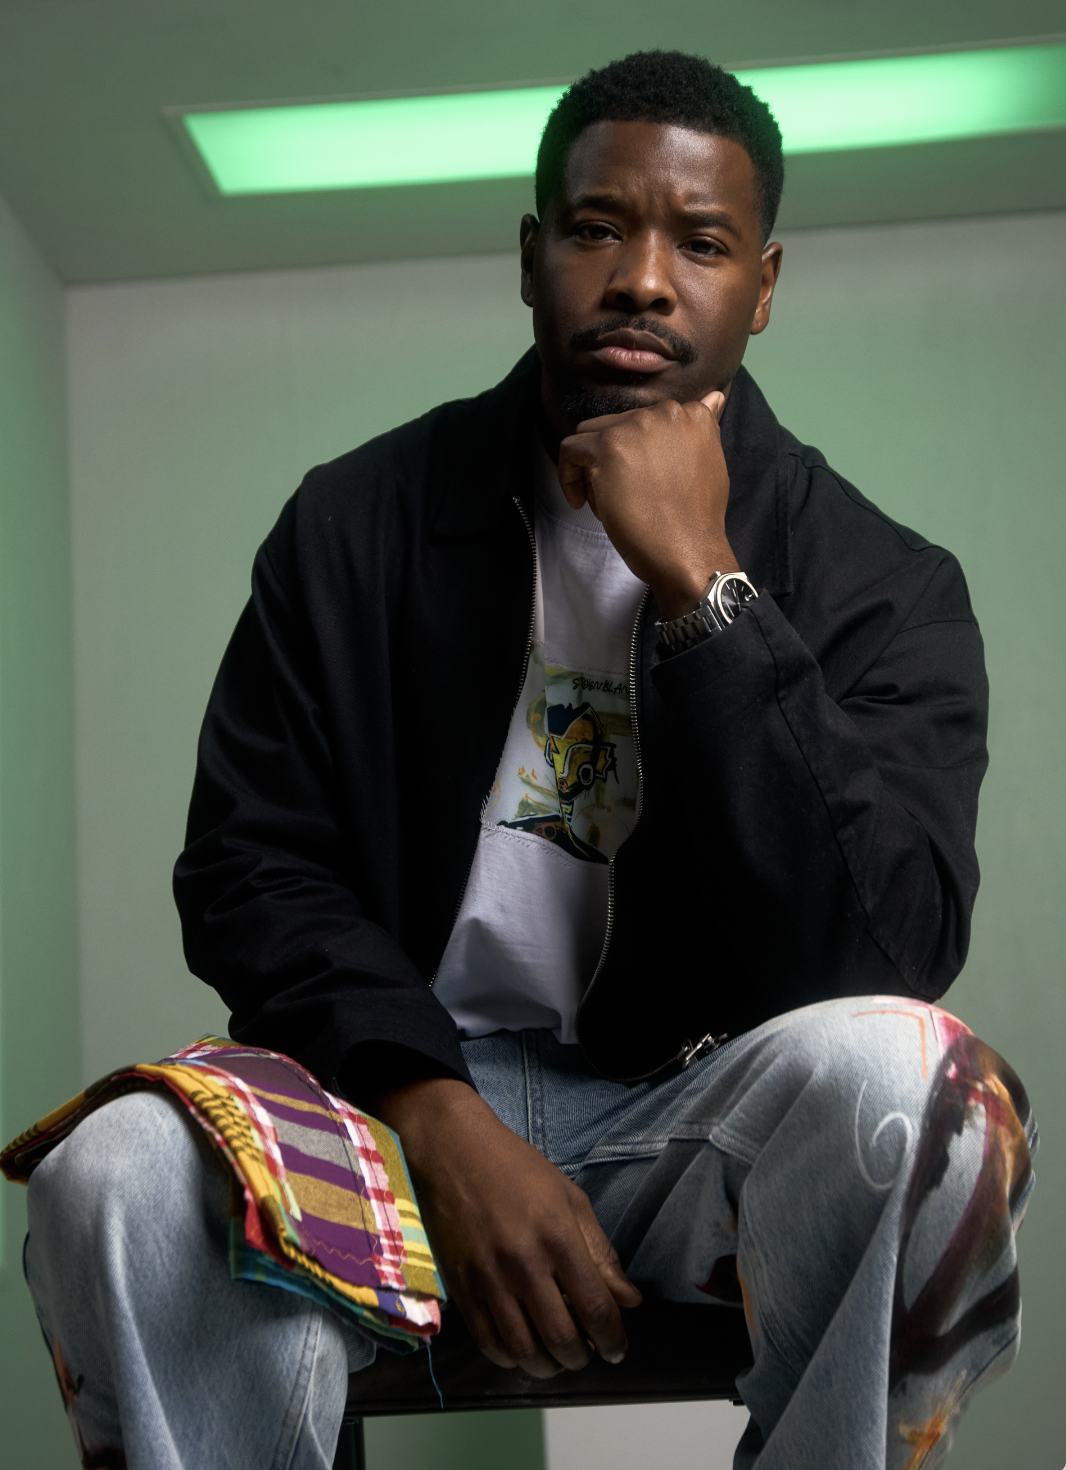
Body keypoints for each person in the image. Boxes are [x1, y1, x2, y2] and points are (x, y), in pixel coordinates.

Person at [23, 50, 1035, 1470]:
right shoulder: (358, 520)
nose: (642, 280)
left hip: (697, 1130)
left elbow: (886, 948)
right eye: (596, 227)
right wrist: (434, 1111)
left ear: (762, 284)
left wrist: (708, 590)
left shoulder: (883, 583)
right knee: (116, 1170)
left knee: (922, 1087)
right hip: (381, 1104)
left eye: (700, 243)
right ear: (529, 256)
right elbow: (252, 862)